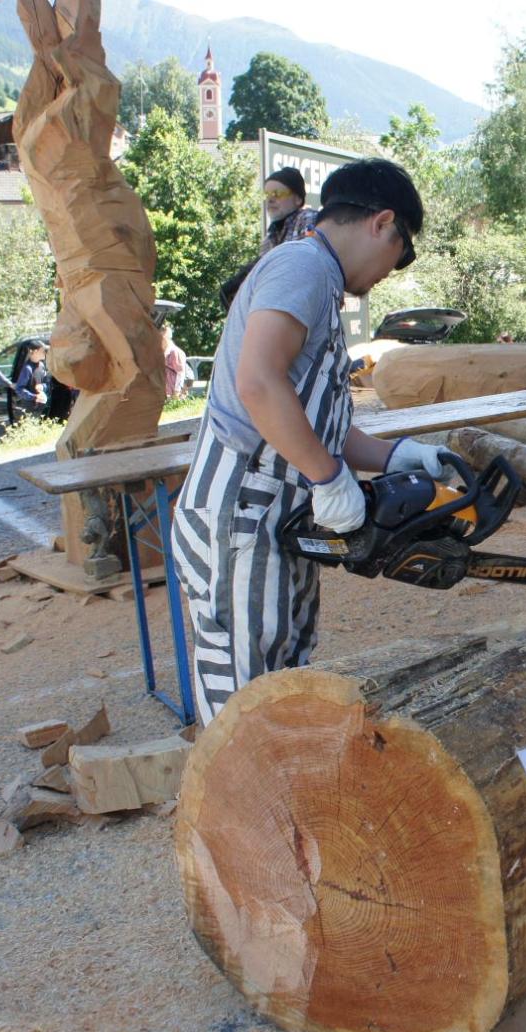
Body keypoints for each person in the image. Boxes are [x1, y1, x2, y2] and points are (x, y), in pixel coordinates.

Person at [169, 157, 436, 725]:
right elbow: (259, 383)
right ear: (382, 223)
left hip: (275, 513)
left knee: (284, 681)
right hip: (241, 509)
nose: (390, 271)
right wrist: (330, 478)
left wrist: (396, 455)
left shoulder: (320, 282)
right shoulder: (303, 267)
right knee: (246, 703)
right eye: (399, 252)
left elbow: (315, 423)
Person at [219, 167, 322, 312]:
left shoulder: (308, 219)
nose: (270, 199)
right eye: (267, 194)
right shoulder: (270, 238)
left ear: (298, 199)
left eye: (277, 193)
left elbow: (305, 264)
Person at [6, 339, 49, 424]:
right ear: (35, 352)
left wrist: (43, 386)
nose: (45, 352)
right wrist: (34, 397)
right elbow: (19, 389)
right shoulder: (27, 369)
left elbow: (47, 383)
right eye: (43, 350)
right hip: (31, 409)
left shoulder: (41, 365)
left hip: (42, 407)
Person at [161, 323, 189, 398]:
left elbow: (180, 373)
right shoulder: (161, 351)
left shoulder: (175, 352)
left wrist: (176, 393)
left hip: (171, 394)